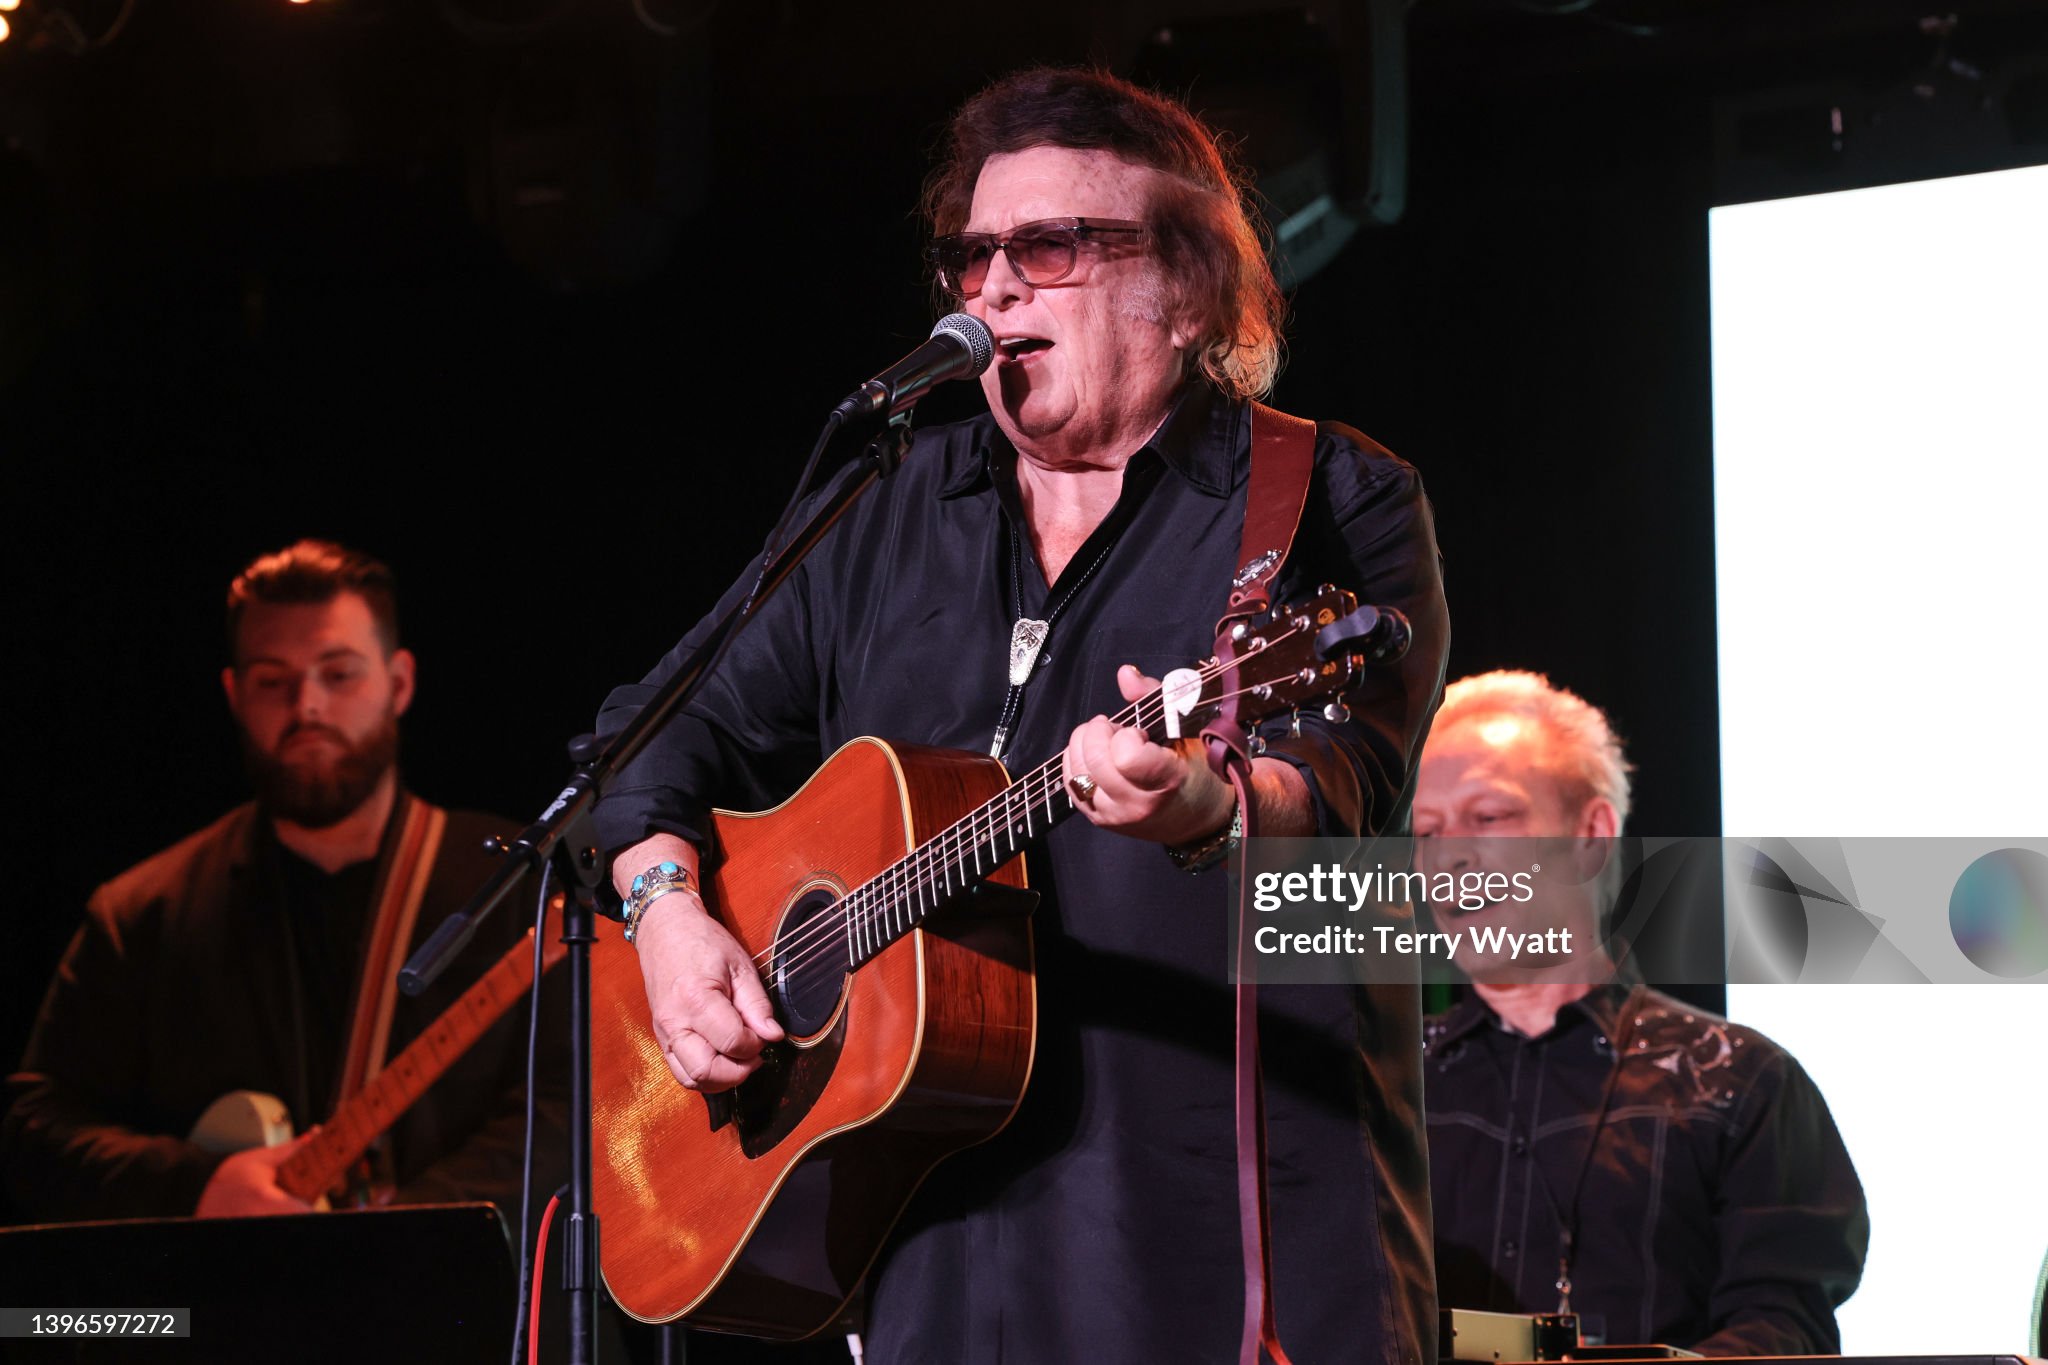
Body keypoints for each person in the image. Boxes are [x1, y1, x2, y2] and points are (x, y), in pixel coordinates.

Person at [593, 66, 1450, 1365]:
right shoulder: (885, 504)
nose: (991, 289)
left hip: (1222, 1250)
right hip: (934, 1255)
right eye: (971, 255)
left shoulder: (1329, 496)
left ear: (1188, 292)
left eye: (1048, 248)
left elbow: (1341, 786)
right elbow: (652, 733)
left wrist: (1210, 808)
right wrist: (664, 911)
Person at [2, 539, 567, 1224]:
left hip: (455, 1290)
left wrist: (402, 1233)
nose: (308, 707)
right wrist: (197, 1186)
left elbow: (575, 1105)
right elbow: (32, 1129)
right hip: (221, 1293)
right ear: (235, 694)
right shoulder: (140, 914)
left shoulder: (519, 884)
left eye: (339, 673)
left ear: (399, 683)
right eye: (273, 680)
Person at [1412, 669, 1868, 1355]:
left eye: (1490, 817)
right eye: (1425, 830)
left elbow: (1784, 1329)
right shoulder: (1388, 1090)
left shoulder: (1742, 1082)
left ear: (1592, 835)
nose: (1450, 856)